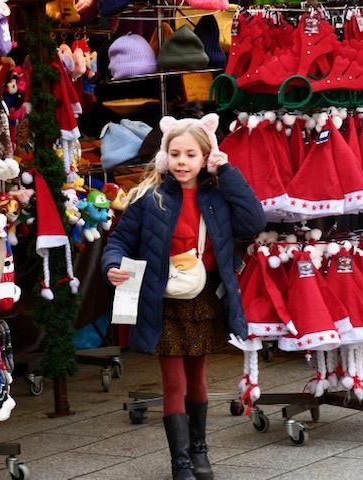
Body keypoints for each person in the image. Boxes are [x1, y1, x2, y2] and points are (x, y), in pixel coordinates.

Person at [101, 113, 266, 480]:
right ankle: (180, 461)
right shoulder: (149, 197)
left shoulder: (219, 195)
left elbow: (254, 222)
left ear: (206, 156)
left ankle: (200, 450)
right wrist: (113, 265)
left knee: (198, 375)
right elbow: (121, 240)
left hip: (203, 296)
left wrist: (229, 173)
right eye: (174, 153)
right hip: (163, 300)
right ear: (164, 156)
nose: (181, 162)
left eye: (191, 154)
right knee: (174, 380)